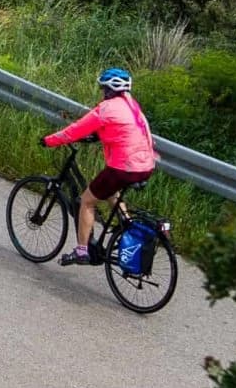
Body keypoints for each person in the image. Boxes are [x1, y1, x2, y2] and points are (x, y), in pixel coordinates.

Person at [43, 69, 154, 265]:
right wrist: (98, 136)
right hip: (145, 166)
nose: (102, 92)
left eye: (103, 89)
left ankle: (82, 251)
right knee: (111, 191)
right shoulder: (133, 106)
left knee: (87, 201)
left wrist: (49, 141)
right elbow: (124, 130)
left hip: (124, 167)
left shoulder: (106, 108)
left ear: (109, 90)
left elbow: (74, 131)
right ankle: (126, 225)